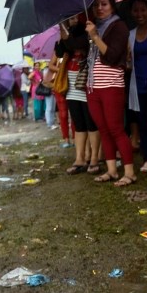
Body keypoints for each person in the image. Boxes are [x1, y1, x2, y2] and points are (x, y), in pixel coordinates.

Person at [85, 0, 135, 186]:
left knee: (116, 128)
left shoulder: (118, 27)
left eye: (104, 4)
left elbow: (113, 56)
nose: (100, 8)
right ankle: (112, 170)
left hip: (111, 84)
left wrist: (96, 37)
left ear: (112, 6)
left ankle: (130, 172)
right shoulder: (94, 26)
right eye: (96, 4)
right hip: (93, 85)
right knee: (103, 129)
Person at [57, 14, 101, 175]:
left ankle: (94, 158)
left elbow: (77, 43)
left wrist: (65, 33)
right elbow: (60, 52)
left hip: (86, 83)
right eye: (70, 18)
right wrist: (63, 32)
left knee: (91, 123)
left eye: (76, 18)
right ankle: (79, 158)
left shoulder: (88, 31)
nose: (73, 21)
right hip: (72, 85)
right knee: (78, 124)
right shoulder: (68, 33)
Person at [127, 0, 147, 174]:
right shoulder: (130, 34)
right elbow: (127, 62)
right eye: (136, 11)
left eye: (143, 10)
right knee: (143, 122)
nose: (140, 14)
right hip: (138, 85)